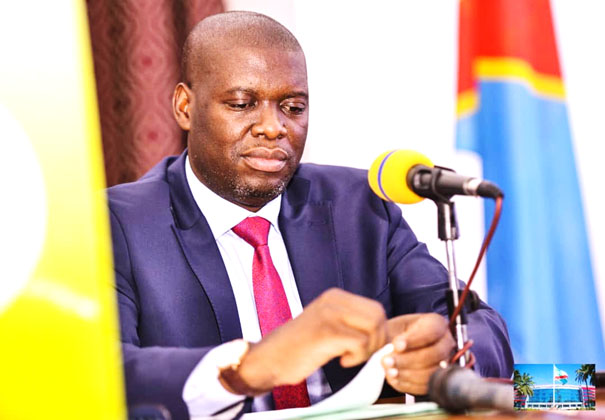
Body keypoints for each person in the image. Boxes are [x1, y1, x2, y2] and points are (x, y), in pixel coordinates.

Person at [107, 11, 513, 420]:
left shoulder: (361, 207)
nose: (273, 127)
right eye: (242, 104)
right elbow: (102, 370)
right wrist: (251, 367)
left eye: (293, 107)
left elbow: (481, 325)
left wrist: (445, 351)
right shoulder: (116, 225)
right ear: (185, 107)